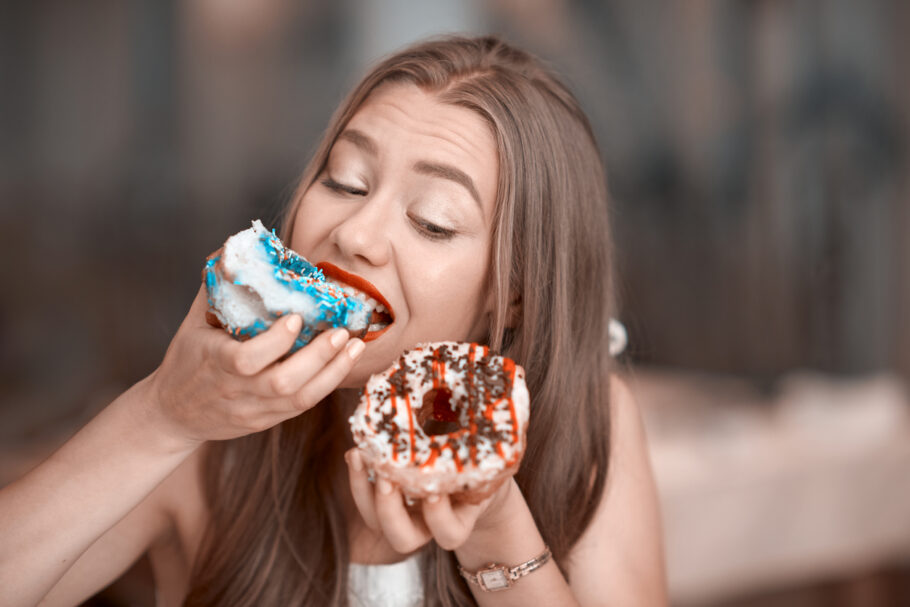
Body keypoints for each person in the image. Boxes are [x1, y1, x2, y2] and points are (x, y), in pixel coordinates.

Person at [0, 35, 666, 606]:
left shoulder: (587, 415)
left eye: (432, 221)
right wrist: (162, 414)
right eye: (345, 181)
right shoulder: (208, 430)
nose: (355, 233)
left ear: (512, 293)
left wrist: (493, 527)